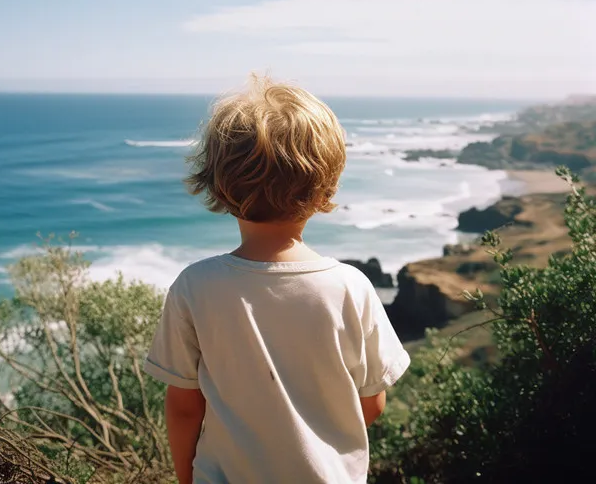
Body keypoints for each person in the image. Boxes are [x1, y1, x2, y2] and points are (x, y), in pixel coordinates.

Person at [144, 76, 410, 484]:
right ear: (325, 187)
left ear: (218, 183)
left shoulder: (194, 286)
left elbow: (183, 407)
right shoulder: (350, 287)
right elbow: (372, 403)